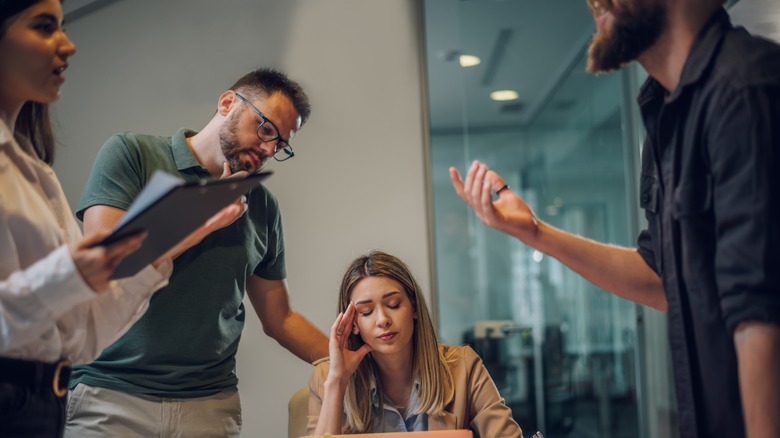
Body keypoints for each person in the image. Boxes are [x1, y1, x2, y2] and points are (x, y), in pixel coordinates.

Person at [450, 0, 780, 437]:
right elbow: (661, 278)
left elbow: (760, 317)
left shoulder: (747, 87)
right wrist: (535, 233)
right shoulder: (665, 113)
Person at [0, 1, 245, 436]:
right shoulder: (129, 152)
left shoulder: (37, 174)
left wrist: (183, 233)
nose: (69, 44)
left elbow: (81, 336)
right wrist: (67, 274)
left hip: (45, 404)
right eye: (43, 27)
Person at [64, 67, 329, 437]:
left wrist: (351, 361)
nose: (270, 149)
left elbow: (280, 317)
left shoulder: (263, 205)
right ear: (227, 104)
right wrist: (205, 218)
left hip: (209, 407)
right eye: (266, 129)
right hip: (110, 394)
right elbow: (108, 262)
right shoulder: (132, 154)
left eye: (281, 144)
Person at [307, 251, 524, 437]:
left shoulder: (463, 366)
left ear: (414, 308)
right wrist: (337, 381)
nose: (382, 320)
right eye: (367, 312)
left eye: (393, 304)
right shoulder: (325, 378)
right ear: (353, 324)